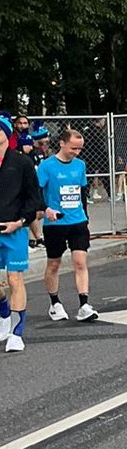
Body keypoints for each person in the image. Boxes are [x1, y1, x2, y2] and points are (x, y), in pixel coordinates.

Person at [37, 126, 100, 322]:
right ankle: (55, 302)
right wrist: (46, 209)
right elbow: (36, 193)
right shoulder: (47, 166)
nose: (76, 152)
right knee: (54, 263)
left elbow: (82, 192)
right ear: (62, 143)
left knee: (80, 261)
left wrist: (86, 218)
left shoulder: (80, 165)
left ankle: (84, 304)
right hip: (55, 223)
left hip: (78, 221)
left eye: (79, 149)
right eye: (73, 148)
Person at [0, 116, 45, 350]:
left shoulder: (21, 162)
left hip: (14, 230)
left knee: (14, 278)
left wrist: (21, 222)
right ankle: (4, 312)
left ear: (7, 134)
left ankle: (17, 332)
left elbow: (34, 197)